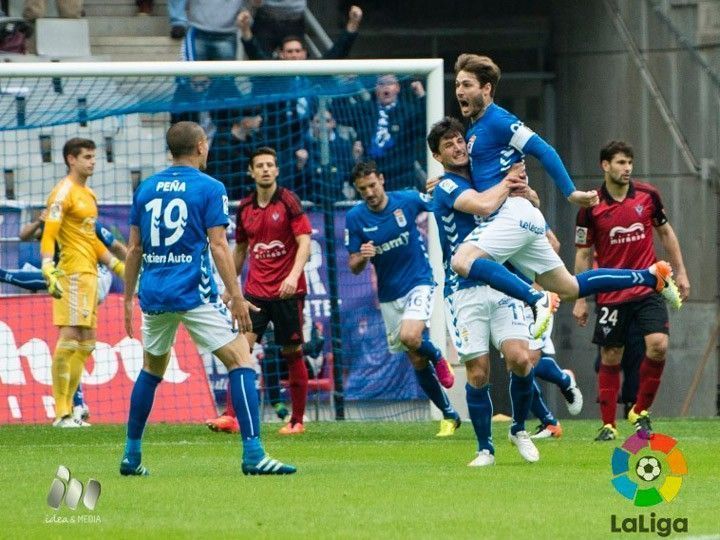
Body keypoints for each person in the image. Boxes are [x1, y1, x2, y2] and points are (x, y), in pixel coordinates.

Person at [431, 53, 682, 341]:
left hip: (513, 214)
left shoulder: (499, 119)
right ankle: (651, 276)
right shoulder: (475, 129)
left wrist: (570, 192)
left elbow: (544, 149)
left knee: (462, 260)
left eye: (467, 85)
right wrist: (444, 178)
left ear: (486, 89)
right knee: (570, 288)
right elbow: (477, 175)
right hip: (520, 217)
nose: (460, 91)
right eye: (458, 86)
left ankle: (535, 299)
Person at [120, 122, 295, 476]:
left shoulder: (146, 188)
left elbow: (135, 247)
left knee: (151, 370)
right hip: (192, 291)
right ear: (201, 146)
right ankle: (254, 454)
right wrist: (235, 295)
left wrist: (126, 299)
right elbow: (218, 245)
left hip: (153, 292)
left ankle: (131, 456)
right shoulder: (210, 187)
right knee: (241, 361)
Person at [427, 117, 582, 464]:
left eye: (458, 140)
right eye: (447, 145)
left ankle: (520, 429)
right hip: (464, 288)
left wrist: (527, 193)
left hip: (502, 283)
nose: (456, 146)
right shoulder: (446, 186)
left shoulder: (485, 176)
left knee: (521, 359)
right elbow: (483, 205)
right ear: (438, 156)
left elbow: (523, 205)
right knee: (479, 371)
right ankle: (485, 448)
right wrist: (509, 180)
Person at [572, 140, 690, 440]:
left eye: (629, 163)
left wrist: (682, 273)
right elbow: (583, 254)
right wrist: (580, 298)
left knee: (658, 345)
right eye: (621, 163)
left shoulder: (648, 195)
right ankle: (609, 425)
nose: (627, 168)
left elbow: (666, 233)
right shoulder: (591, 205)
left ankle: (640, 412)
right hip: (610, 292)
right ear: (605, 165)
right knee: (611, 355)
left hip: (649, 286)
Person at [345, 161, 460, 437]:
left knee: (412, 337)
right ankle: (449, 414)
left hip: (419, 281)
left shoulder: (407, 199)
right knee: (415, 359)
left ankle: (438, 356)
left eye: (373, 185)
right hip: (389, 295)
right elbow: (353, 265)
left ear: (382, 179)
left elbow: (437, 202)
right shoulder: (355, 218)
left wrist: (443, 185)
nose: (370, 193)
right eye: (363, 189)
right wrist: (363, 255)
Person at [206, 146, 312, 435]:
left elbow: (305, 242)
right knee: (240, 350)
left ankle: (297, 421)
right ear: (251, 172)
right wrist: (230, 288)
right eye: (260, 165)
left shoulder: (288, 201)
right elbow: (239, 249)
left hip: (288, 293)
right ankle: (230, 416)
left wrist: (292, 276)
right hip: (255, 293)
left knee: (292, 352)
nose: (265, 169)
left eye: (270, 164)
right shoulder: (246, 208)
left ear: (277, 170)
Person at [40, 138, 125, 428]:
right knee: (69, 340)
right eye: (86, 157)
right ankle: (61, 413)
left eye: (94, 157)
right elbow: (49, 233)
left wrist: (117, 266)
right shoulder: (62, 193)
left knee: (87, 344)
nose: (92, 162)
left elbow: (91, 240)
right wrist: (47, 266)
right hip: (71, 274)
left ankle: (73, 411)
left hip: (89, 275)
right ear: (70, 159)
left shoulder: (89, 194)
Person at [237, 5, 362, 61]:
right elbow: (255, 54)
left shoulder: (313, 72)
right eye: (289, 52)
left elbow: (338, 52)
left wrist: (352, 23)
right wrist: (245, 29)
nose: (294, 55)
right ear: (281, 55)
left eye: (297, 51)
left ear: (304, 53)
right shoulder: (274, 75)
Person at [294, 109, 363, 202]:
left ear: (333, 123)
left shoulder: (344, 145)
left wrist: (356, 160)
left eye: (327, 121)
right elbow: (296, 183)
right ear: (311, 124)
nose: (322, 126)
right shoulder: (302, 145)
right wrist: (300, 165)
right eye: (318, 121)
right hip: (309, 202)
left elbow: (350, 177)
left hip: (337, 201)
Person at [206, 110, 264, 201]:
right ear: (245, 122)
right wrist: (248, 174)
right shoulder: (222, 146)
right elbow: (220, 180)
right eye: (256, 115)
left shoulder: (254, 141)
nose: (260, 119)